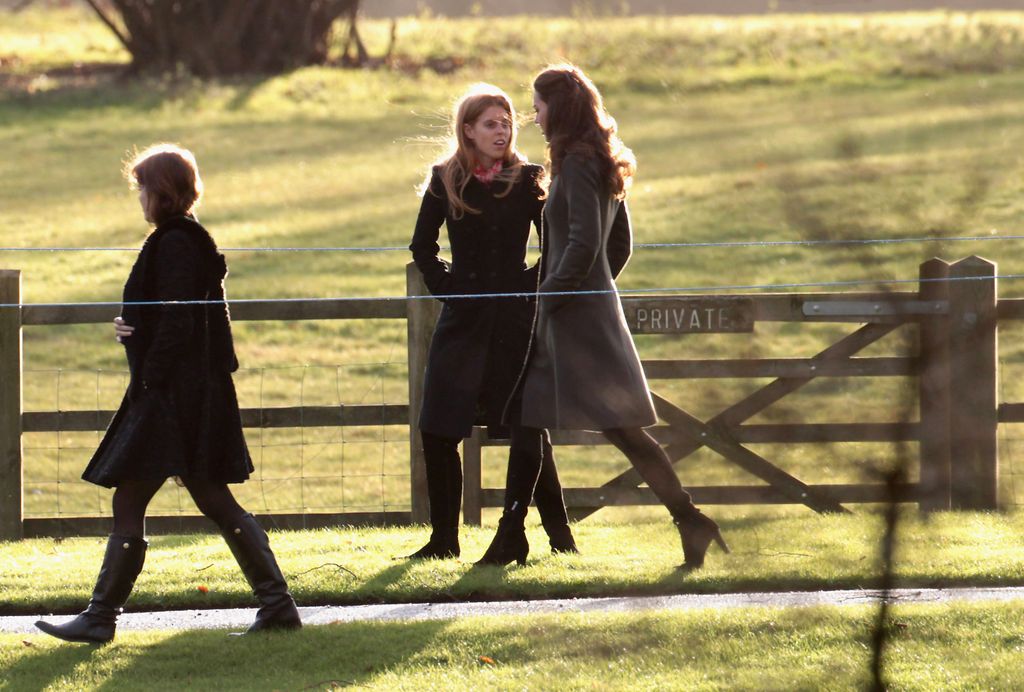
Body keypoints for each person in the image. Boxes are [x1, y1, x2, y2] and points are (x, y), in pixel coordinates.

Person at [35, 144, 301, 644]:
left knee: (139, 494)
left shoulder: (176, 242)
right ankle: (277, 604)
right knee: (207, 496)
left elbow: (179, 321)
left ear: (161, 192)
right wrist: (133, 327)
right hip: (182, 389)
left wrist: (151, 376)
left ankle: (100, 618)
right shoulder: (181, 239)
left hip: (174, 394)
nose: (138, 197)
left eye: (142, 188)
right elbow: (175, 315)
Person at [478, 65, 729, 570]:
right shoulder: (596, 161)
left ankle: (513, 538)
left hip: (571, 320)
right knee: (544, 419)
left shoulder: (576, 164)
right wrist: (592, 289)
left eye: (539, 106)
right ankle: (515, 536)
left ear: (559, 109)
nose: (534, 115)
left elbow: (587, 243)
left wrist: (553, 295)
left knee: (607, 426)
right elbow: (621, 245)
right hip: (583, 313)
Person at [409, 83, 578, 561]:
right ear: (468, 130)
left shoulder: (529, 179)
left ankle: (559, 536)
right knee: (438, 427)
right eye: (490, 123)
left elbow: (556, 247)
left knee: (527, 424)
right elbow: (423, 248)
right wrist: (450, 292)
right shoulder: (444, 178)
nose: (501, 130)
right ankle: (443, 541)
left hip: (513, 323)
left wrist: (526, 287)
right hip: (462, 320)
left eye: (506, 122)